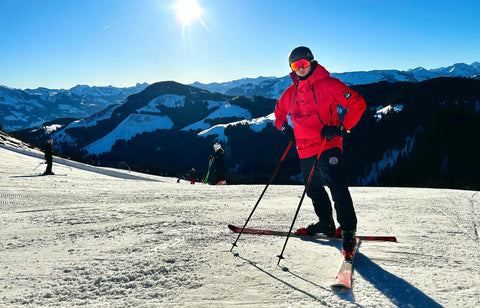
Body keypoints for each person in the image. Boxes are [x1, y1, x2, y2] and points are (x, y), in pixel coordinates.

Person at [274, 46, 366, 258]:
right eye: (296, 65)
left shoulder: (329, 84)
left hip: (328, 144)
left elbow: (357, 104)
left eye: (304, 63)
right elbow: (278, 114)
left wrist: (342, 128)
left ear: (312, 62)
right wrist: (284, 128)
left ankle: (348, 230)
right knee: (313, 188)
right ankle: (326, 223)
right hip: (304, 148)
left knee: (337, 185)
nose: (301, 68)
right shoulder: (291, 93)